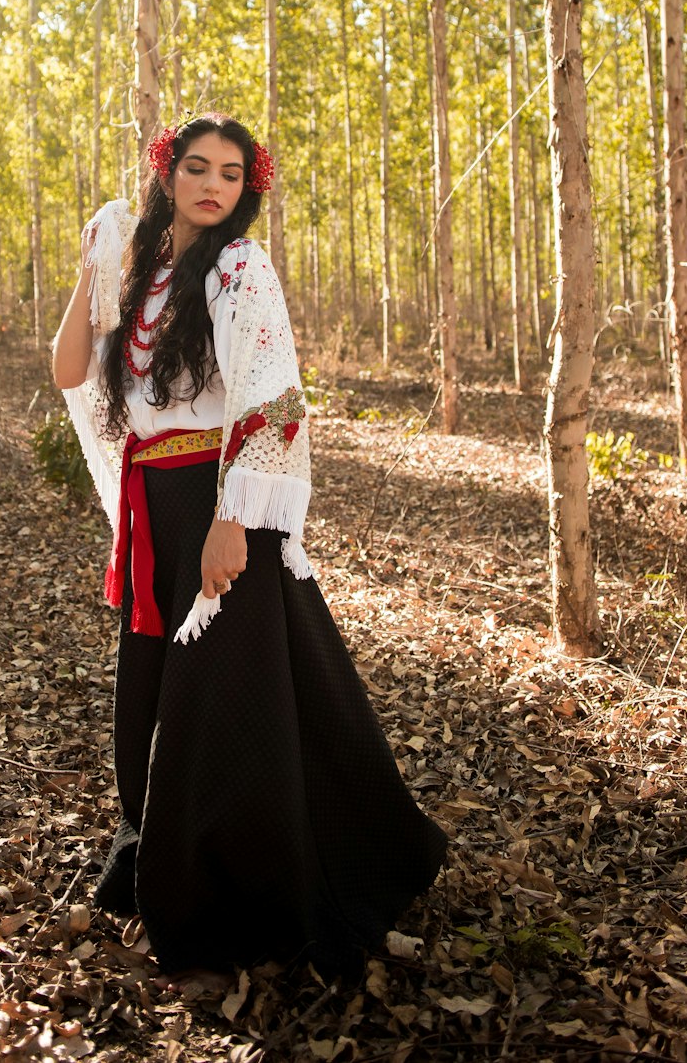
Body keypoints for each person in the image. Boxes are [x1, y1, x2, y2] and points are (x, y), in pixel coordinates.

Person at [52, 113, 447, 977]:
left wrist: (232, 517)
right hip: (152, 497)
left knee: (225, 696)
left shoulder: (238, 268)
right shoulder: (141, 271)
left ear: (245, 190)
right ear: (167, 176)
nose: (212, 185)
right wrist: (92, 270)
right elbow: (68, 371)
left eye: (230, 174)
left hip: (218, 500)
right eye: (196, 168)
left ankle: (245, 887)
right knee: (156, 686)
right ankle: (158, 855)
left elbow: (273, 398)